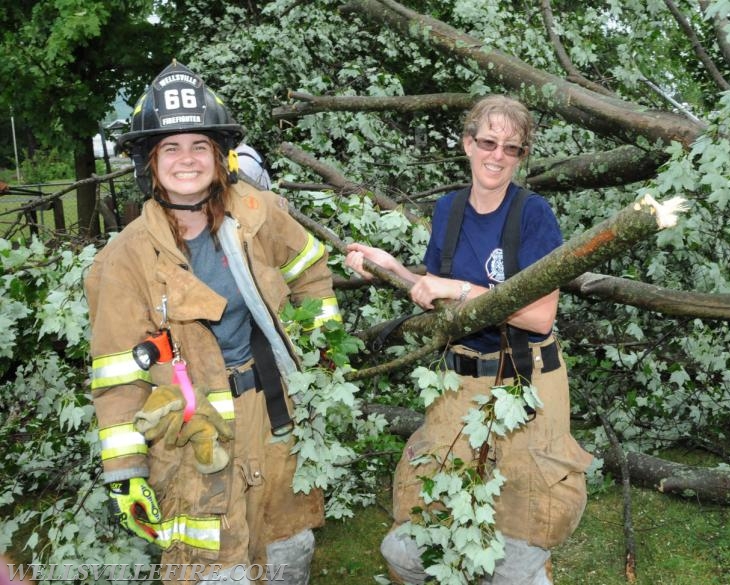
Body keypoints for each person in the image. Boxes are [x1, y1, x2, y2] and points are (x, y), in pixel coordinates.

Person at [85, 61, 341, 584]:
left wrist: (319, 351)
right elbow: (117, 377)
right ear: (148, 163)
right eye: (170, 148)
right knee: (214, 568)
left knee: (287, 548)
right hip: (192, 437)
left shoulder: (259, 213)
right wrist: (126, 472)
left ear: (219, 155)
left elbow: (310, 270)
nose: (186, 160)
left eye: (199, 145)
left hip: (272, 416)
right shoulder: (125, 259)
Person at [345, 95, 593, 585]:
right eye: (488, 142)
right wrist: (391, 268)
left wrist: (460, 288)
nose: (497, 155)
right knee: (414, 545)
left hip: (526, 386)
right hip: (457, 388)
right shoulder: (449, 210)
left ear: (522, 156)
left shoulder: (533, 215)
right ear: (467, 143)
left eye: (511, 148)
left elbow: (541, 316)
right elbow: (439, 297)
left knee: (518, 548)